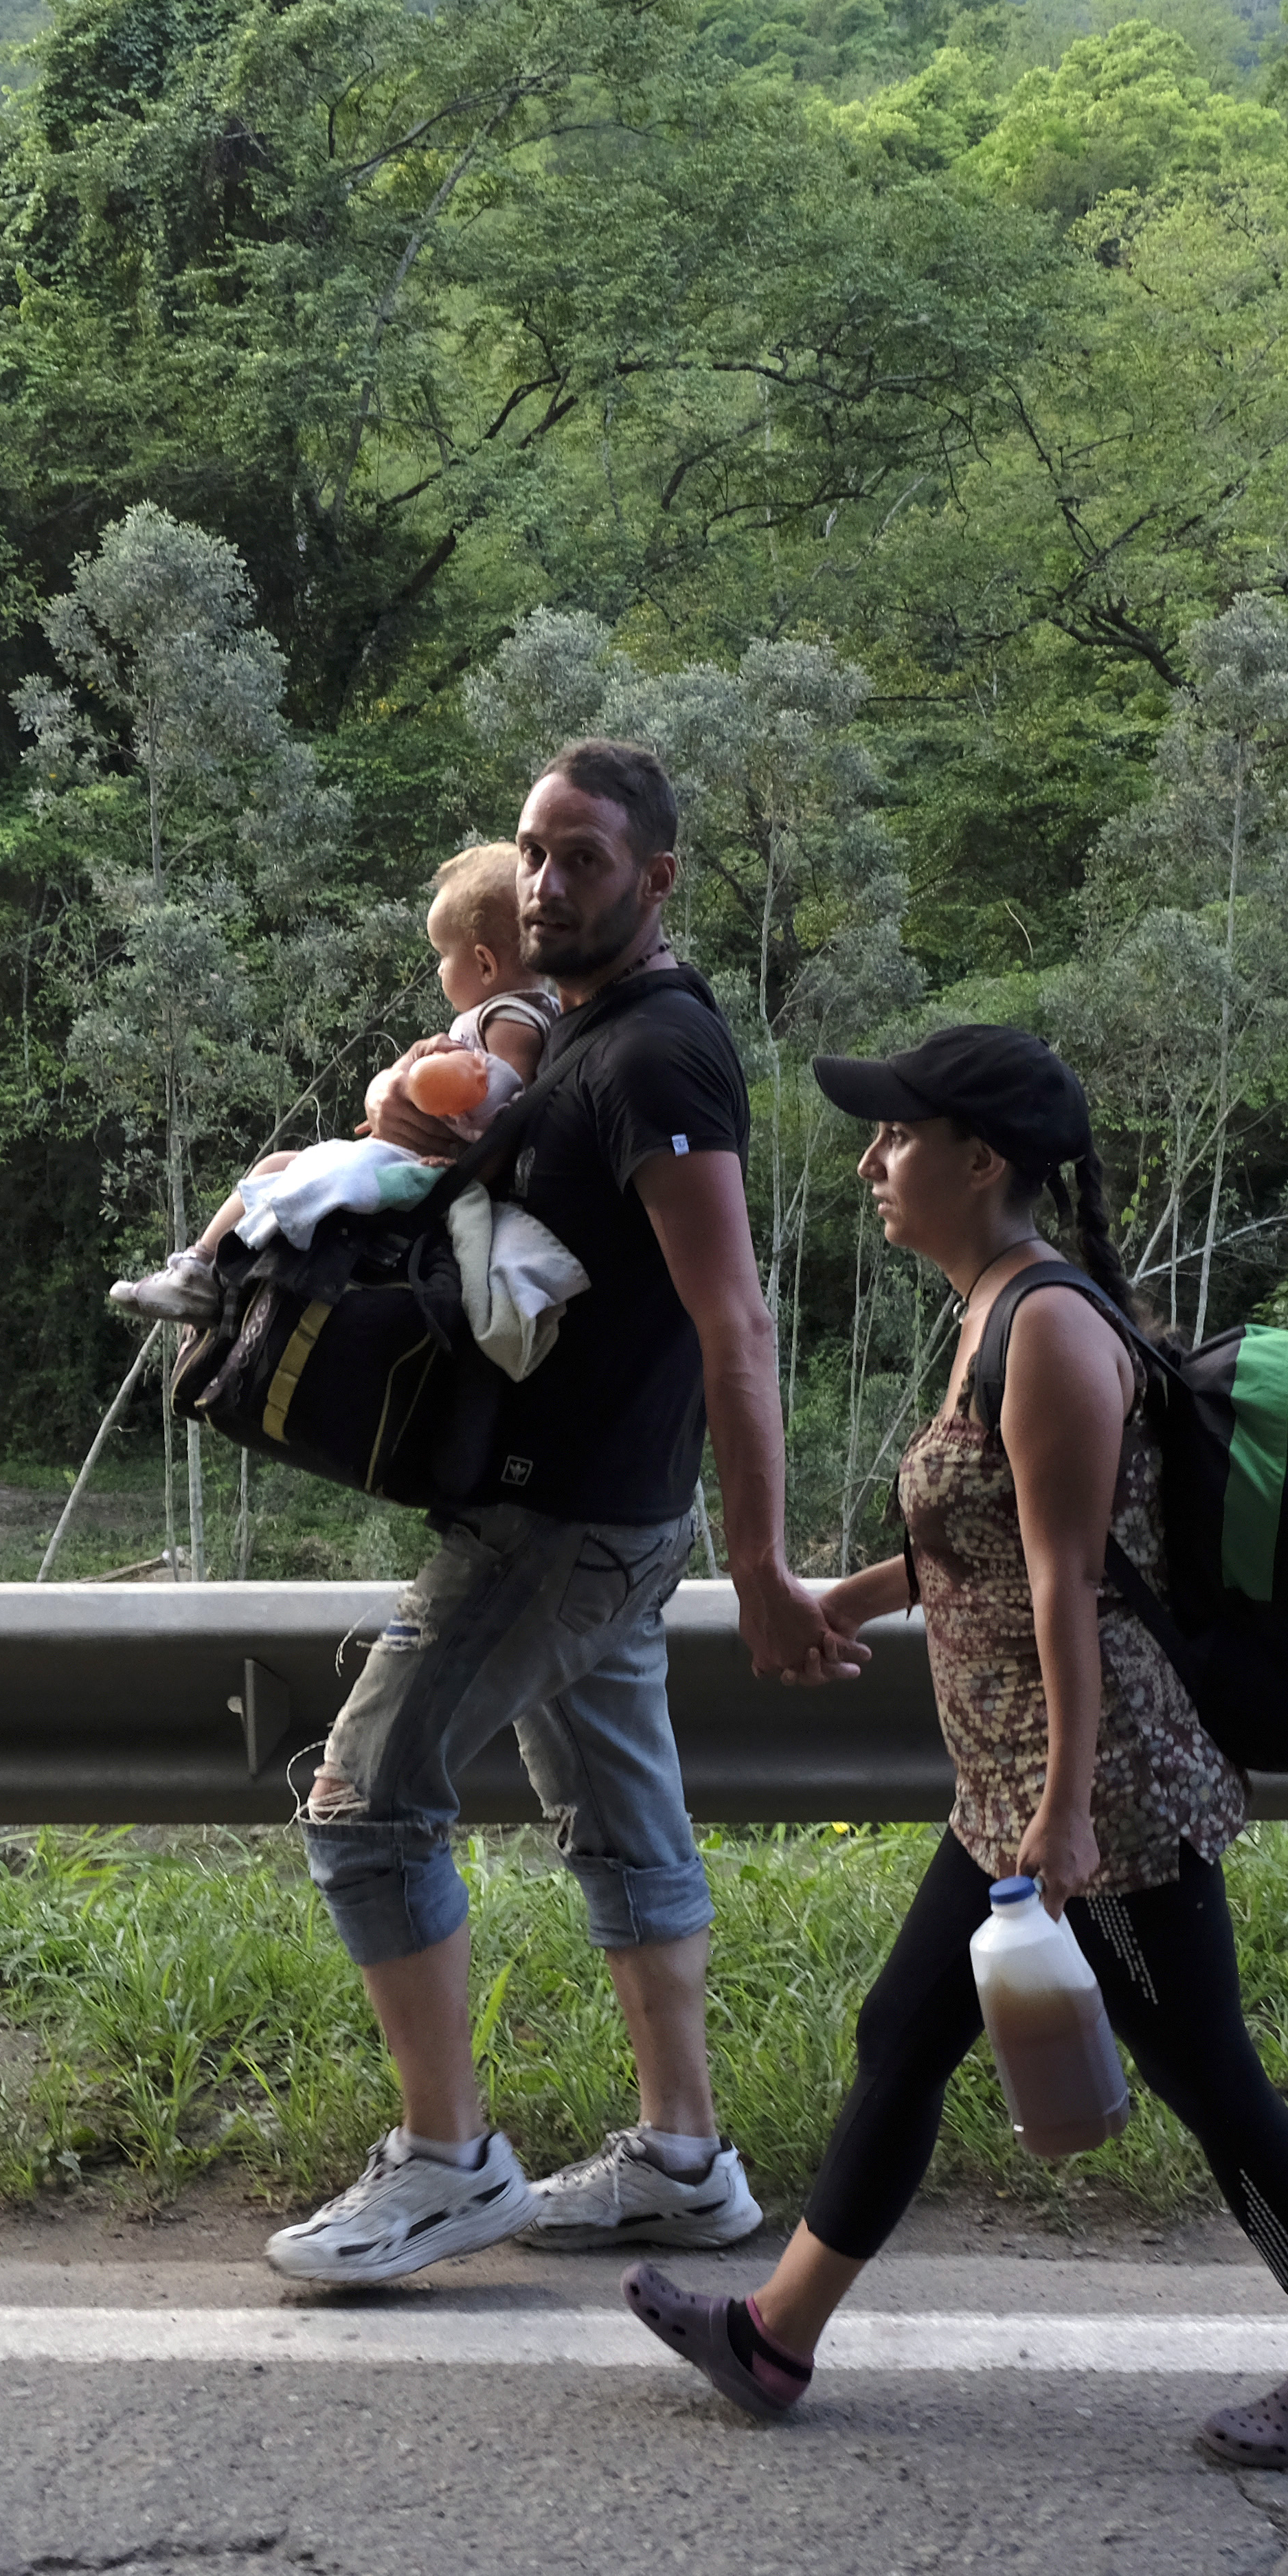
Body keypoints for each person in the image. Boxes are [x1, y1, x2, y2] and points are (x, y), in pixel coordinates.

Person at [618, 1024, 1288, 2467]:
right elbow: (971, 1551)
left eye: (896, 1138)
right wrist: (830, 1597)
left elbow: (1067, 1579)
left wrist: (1063, 1817)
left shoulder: (1046, 1323)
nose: (873, 1162)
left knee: (1208, 2078)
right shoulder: (990, 1307)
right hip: (1016, 1783)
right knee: (900, 2037)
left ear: (978, 1159)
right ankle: (777, 2335)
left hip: (1098, 1790)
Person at [260, 739, 869, 2285]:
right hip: (588, 1506)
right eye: (534, 850)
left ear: (656, 880)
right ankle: (684, 2158)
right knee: (622, 1823)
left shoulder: (660, 1056)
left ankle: (448, 2161)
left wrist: (766, 1562)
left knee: (366, 1799)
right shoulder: (579, 1036)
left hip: (564, 1520)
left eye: (584, 856)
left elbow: (732, 1320)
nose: (546, 881)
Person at [119, 843, 558, 1321]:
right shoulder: (516, 1013)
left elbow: (506, 1099)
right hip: (423, 1154)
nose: (437, 970)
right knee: (278, 1162)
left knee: (282, 1169)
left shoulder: (512, 1017)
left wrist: (424, 1090)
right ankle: (202, 1267)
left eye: (441, 957)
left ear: (485, 964)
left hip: (431, 1167)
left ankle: (203, 1272)